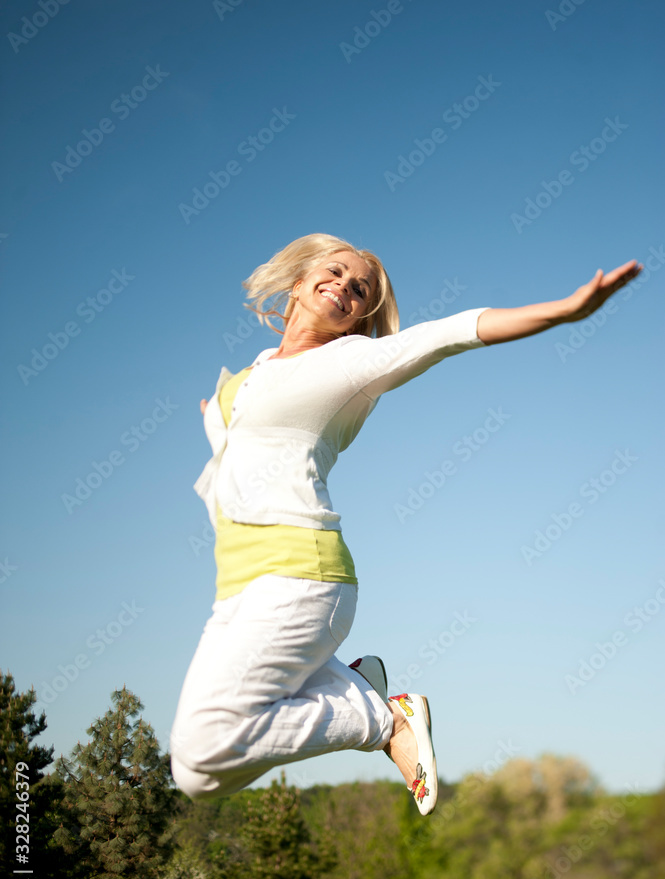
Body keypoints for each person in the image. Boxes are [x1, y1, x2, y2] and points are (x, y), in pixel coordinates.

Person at [170, 233, 642, 816]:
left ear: (359, 317)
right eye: (335, 271)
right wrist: (214, 420)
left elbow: (452, 332)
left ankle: (382, 718)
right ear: (298, 281)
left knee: (210, 746)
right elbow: (236, 439)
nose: (344, 285)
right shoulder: (247, 379)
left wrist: (565, 310)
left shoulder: (348, 364)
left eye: (359, 289)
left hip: (297, 575)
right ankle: (356, 693)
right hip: (235, 588)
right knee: (196, 774)